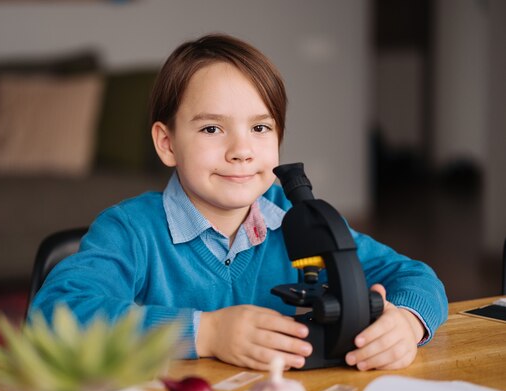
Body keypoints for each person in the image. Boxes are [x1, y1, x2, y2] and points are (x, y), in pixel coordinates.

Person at [30, 34, 448, 371]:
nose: (241, 151)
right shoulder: (130, 231)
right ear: (166, 142)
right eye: (212, 128)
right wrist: (207, 332)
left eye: (260, 127)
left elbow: (416, 276)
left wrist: (407, 323)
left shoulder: (298, 220)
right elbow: (55, 318)